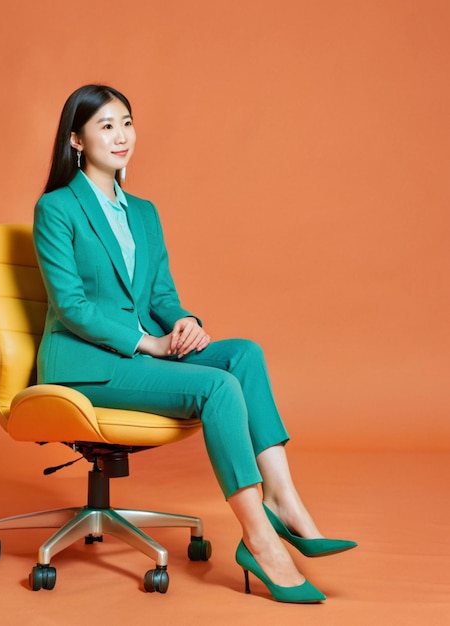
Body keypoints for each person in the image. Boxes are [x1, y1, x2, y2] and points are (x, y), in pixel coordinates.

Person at [33, 84, 356, 603]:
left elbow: (160, 293)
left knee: (243, 353)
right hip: (85, 365)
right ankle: (260, 541)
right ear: (76, 139)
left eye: (128, 123)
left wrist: (185, 323)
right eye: (106, 126)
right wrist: (150, 344)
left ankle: (286, 502)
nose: (122, 137)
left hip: (135, 354)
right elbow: (72, 307)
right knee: (217, 388)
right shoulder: (56, 208)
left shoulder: (143, 211)